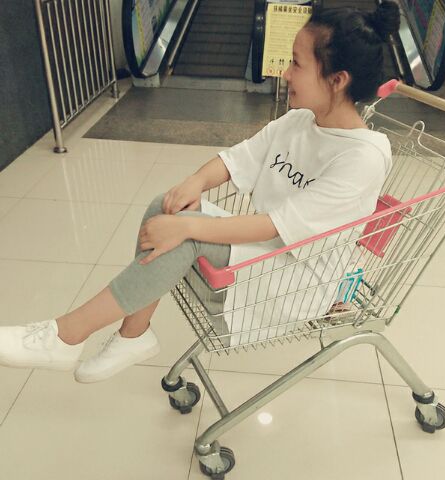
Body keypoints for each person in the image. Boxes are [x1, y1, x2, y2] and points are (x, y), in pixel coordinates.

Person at [0, 2, 400, 382]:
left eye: (296, 63)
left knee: (187, 235)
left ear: (337, 80)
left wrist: (190, 228)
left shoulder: (361, 157)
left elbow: (277, 225)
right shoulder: (299, 122)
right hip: (270, 250)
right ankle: (134, 334)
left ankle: (65, 336)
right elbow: (236, 159)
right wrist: (194, 183)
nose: (285, 73)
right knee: (165, 208)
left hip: (298, 279)